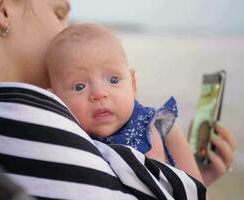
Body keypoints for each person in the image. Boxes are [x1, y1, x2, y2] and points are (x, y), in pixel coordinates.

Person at [0, 0, 230, 198]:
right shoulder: (35, 125)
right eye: (58, 13)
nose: (64, 31)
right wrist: (190, 183)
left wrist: (189, 178)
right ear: (1, 7)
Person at [46, 23, 200, 176]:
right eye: (79, 87)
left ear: (132, 84)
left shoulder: (159, 126)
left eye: (113, 80)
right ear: (55, 99)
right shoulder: (68, 143)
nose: (99, 93)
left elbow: (197, 190)